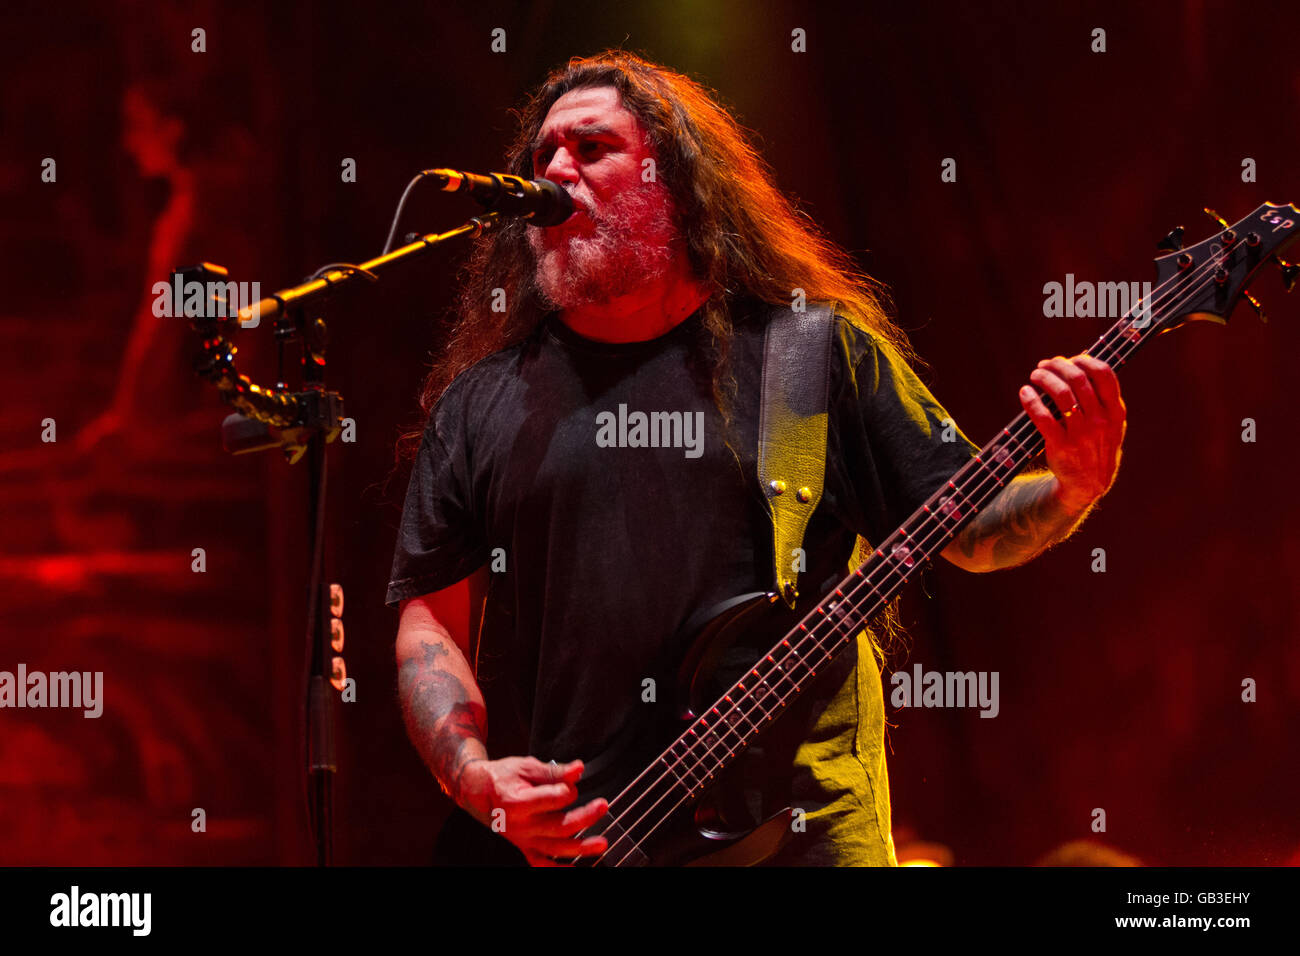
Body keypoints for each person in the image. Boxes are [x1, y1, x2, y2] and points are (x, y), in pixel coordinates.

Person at [386, 51, 1126, 866]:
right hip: (582, 846)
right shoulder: (483, 400)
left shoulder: (808, 360)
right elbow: (431, 621)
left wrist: (1072, 486)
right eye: (543, 156)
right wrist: (472, 778)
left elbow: (972, 530)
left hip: (792, 838)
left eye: (591, 148)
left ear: (670, 175)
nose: (557, 169)